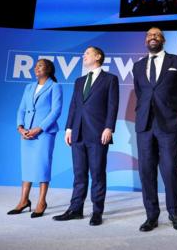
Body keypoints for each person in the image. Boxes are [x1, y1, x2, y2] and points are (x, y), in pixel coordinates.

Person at [132, 26, 177, 231]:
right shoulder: (138, 66)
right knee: (146, 171)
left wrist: (172, 109)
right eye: (149, 35)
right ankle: (151, 215)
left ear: (163, 40)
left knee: (169, 169)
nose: (152, 37)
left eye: (156, 35)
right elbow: (141, 93)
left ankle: (174, 213)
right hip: (144, 125)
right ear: (146, 40)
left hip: (168, 124)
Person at [53, 47, 119, 226]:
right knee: (79, 174)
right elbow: (74, 106)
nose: (84, 55)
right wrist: (68, 128)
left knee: (97, 174)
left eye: (88, 53)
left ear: (98, 57)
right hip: (78, 133)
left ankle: (97, 212)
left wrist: (109, 128)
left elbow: (113, 105)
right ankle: (75, 209)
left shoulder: (110, 79)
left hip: (98, 134)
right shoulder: (79, 81)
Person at [8, 59, 63, 218]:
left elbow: (56, 111)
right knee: (27, 166)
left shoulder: (55, 87)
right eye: (36, 66)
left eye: (40, 65)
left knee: (42, 166)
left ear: (49, 69)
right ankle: (23, 201)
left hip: (44, 133)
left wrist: (39, 128)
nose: (36, 68)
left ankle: (41, 202)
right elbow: (21, 109)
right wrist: (20, 128)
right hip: (26, 133)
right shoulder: (29, 87)